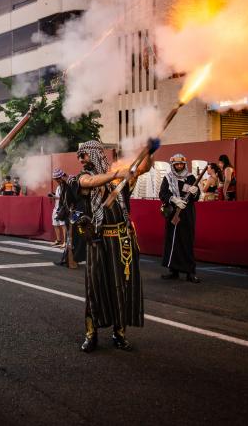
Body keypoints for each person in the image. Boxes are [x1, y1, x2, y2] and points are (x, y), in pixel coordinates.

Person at [71, 139, 156, 353]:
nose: (81, 159)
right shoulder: (84, 177)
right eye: (79, 156)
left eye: (85, 154)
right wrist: (117, 174)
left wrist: (150, 151)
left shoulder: (117, 175)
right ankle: (91, 334)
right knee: (95, 288)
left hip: (121, 239)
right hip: (98, 240)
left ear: (97, 154)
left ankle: (119, 333)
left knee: (121, 287)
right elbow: (90, 183)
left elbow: (143, 167)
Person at [159, 154, 200, 283]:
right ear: (173, 165)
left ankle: (190, 272)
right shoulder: (168, 178)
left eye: (181, 164)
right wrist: (174, 199)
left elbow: (196, 197)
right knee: (173, 242)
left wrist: (196, 192)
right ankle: (174, 271)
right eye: (176, 164)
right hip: (173, 213)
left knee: (187, 241)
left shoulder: (191, 177)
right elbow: (163, 193)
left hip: (187, 213)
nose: (179, 166)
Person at [48, 169, 68, 248]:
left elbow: (64, 197)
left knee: (63, 224)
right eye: (55, 179)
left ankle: (65, 242)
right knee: (55, 224)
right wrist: (53, 195)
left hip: (62, 208)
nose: (56, 180)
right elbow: (59, 196)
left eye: (57, 178)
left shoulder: (65, 185)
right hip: (56, 207)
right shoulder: (59, 186)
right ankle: (58, 240)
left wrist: (54, 196)